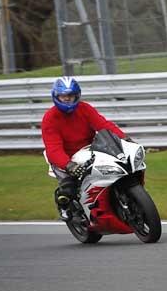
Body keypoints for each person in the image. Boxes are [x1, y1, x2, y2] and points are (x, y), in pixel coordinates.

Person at [41, 77, 127, 220]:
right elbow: (53, 148)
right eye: (64, 96)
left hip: (89, 149)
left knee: (116, 168)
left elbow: (103, 125)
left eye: (71, 95)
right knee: (69, 187)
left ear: (77, 95)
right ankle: (64, 205)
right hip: (65, 157)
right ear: (56, 97)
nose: (68, 99)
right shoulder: (50, 118)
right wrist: (69, 165)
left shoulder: (85, 108)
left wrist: (124, 138)